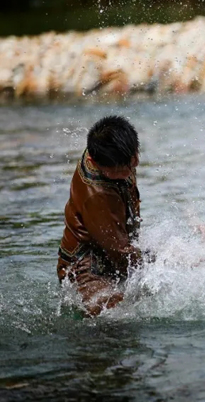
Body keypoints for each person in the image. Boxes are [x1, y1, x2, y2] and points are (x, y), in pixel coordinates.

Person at [57, 116, 146, 316]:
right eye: (120, 172)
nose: (129, 171)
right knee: (111, 320)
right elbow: (121, 253)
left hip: (110, 249)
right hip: (85, 268)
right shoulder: (98, 196)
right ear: (92, 161)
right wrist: (164, 261)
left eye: (132, 164)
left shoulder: (112, 152)